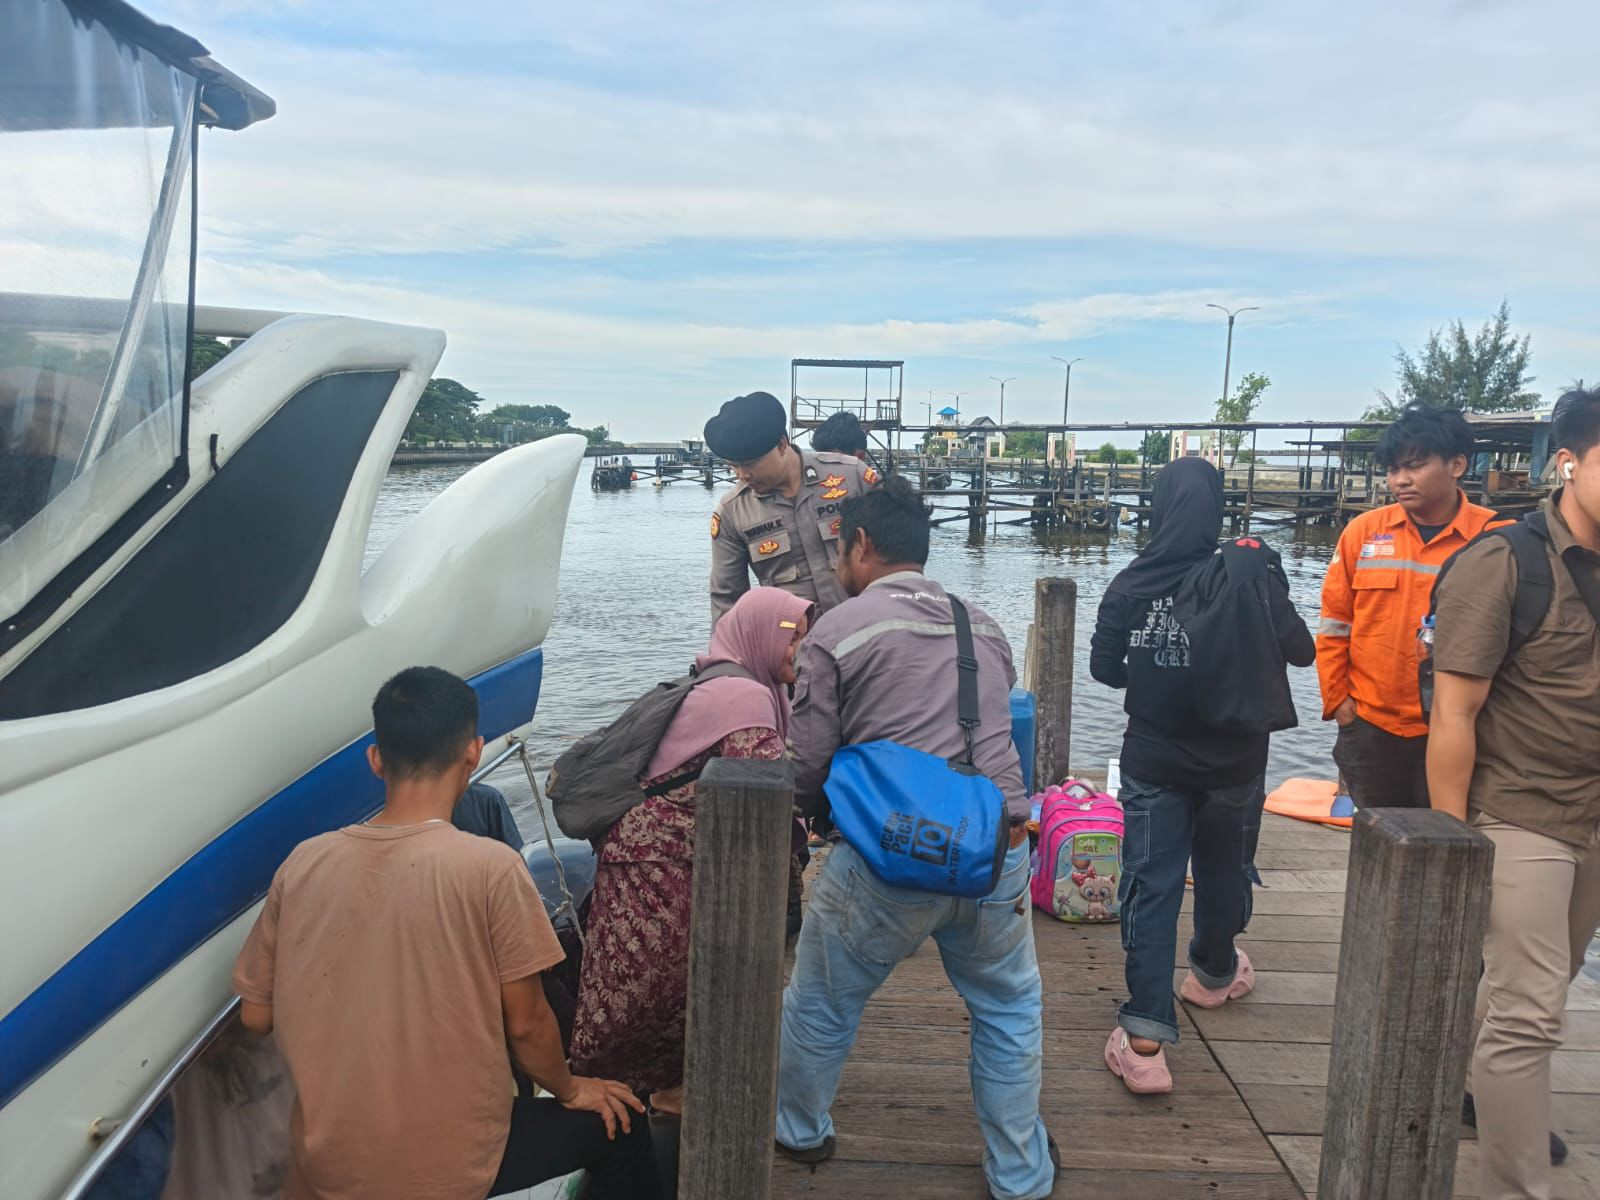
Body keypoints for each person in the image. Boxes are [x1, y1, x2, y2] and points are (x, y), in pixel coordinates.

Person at [232, 667, 659, 1200]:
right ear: (475, 752)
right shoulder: (490, 868)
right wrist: (572, 1090)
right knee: (621, 1126)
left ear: (376, 759)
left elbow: (255, 1016)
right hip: (446, 1169)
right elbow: (527, 1028)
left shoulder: (302, 864)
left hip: (324, 1163)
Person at [775, 477, 1057, 1200]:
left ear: (861, 544)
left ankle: (801, 1132)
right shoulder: (985, 625)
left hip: (889, 856)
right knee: (1008, 1008)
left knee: (820, 1000)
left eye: (841, 546)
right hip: (999, 844)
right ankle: (1020, 1175)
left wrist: (803, 830)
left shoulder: (837, 630)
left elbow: (809, 762)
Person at [1089, 458, 1314, 1094]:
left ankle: (1144, 1039)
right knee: (1223, 870)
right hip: (1237, 762)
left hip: (1155, 760)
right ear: (1217, 509)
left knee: (1152, 885)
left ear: (1158, 507)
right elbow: (1302, 650)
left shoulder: (1132, 583)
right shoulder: (1244, 572)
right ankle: (1213, 974)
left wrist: (1161, 672)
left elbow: (1105, 669)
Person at [1428, 386, 1600, 1200]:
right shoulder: (1506, 562)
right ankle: (1517, 1186)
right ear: (1568, 461)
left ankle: (1471, 1091)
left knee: (1537, 987)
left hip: (1593, 816)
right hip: (1519, 811)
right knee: (1532, 1012)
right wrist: (1453, 841)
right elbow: (1454, 711)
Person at [569, 588, 812, 1117]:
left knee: (640, 986)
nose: (801, 651)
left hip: (643, 855)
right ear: (764, 634)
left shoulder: (729, 681)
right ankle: (655, 1105)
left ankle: (644, 1099)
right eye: (792, 638)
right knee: (666, 987)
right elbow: (766, 784)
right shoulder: (745, 697)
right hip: (660, 865)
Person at [1317, 403, 1503, 809]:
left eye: (1414, 466)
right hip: (1370, 724)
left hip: (1462, 728)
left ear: (1456, 465)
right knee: (1376, 842)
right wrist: (1339, 703)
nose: (1400, 480)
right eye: (1392, 469)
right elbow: (1334, 623)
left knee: (1453, 842)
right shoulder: (1363, 533)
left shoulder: (1497, 539)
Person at [705, 390, 878, 627]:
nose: (743, 475)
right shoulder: (732, 514)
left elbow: (900, 555)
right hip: (796, 653)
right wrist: (723, 662)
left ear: (781, 444)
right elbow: (727, 604)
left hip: (869, 635)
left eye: (750, 464)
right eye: (733, 467)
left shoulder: (853, 477)